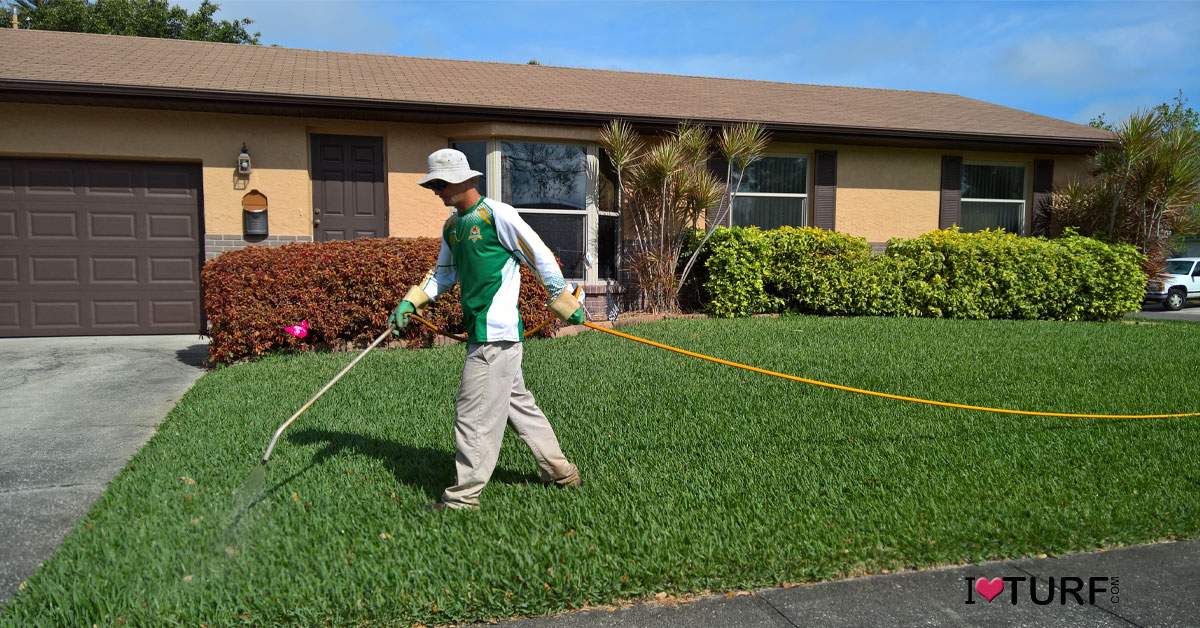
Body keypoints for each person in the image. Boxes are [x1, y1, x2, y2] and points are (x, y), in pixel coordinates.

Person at [389, 148, 586, 511]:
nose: (437, 191)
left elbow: (538, 254)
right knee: (518, 405)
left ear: (465, 180)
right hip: (484, 333)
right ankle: (561, 472)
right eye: (433, 184)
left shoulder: (498, 215)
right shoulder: (452, 227)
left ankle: (463, 498)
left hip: (495, 334)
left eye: (441, 183)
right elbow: (445, 274)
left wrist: (565, 302)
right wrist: (412, 300)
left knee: (473, 413)